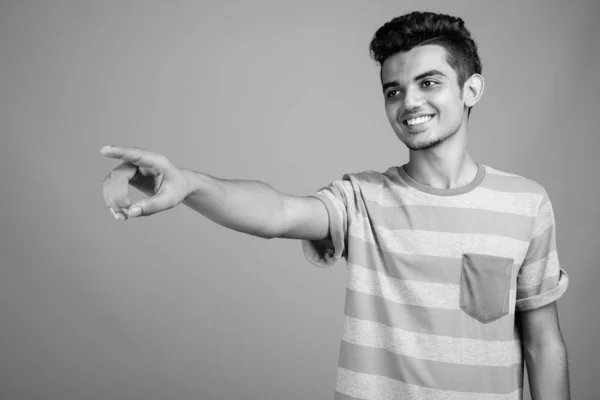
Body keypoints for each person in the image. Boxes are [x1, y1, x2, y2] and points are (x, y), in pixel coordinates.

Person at [101, 11, 570, 400]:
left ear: (471, 90)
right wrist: (191, 184)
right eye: (394, 90)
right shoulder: (361, 198)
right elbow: (277, 213)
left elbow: (543, 343)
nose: (409, 102)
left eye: (429, 83)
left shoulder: (525, 202)